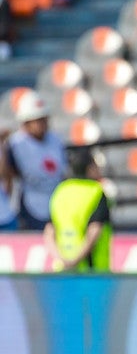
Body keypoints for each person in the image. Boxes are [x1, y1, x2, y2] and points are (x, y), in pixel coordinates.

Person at [2, 92, 67, 230]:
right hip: (30, 202)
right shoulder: (15, 144)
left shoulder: (55, 140)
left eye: (44, 119)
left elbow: (61, 171)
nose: (42, 124)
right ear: (26, 122)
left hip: (56, 199)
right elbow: (8, 175)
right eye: (37, 120)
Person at [43, 148, 111, 272]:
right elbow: (94, 231)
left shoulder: (60, 190)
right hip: (92, 272)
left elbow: (49, 232)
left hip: (62, 270)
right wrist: (75, 261)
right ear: (90, 168)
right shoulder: (96, 191)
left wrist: (61, 260)